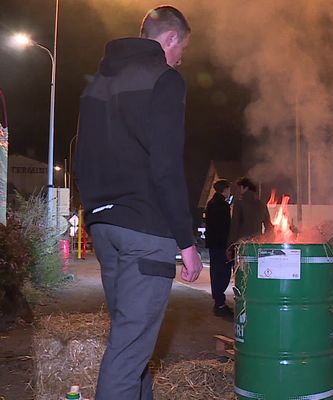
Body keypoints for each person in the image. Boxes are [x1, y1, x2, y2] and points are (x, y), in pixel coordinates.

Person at [74, 6, 202, 399]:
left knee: (131, 343)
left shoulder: (96, 84)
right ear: (170, 39)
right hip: (145, 229)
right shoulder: (165, 79)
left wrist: (95, 212)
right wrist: (186, 241)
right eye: (182, 48)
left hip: (104, 226)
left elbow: (80, 155)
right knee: (129, 352)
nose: (181, 57)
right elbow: (165, 166)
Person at [205, 179, 234, 318]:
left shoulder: (210, 203)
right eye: (228, 189)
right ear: (225, 190)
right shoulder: (223, 205)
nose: (230, 192)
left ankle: (218, 303)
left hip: (213, 244)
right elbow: (227, 227)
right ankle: (220, 305)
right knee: (223, 273)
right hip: (222, 244)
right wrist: (229, 245)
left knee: (215, 272)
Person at [228, 176, 273, 245]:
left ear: (245, 188)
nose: (239, 190)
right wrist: (265, 240)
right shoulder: (262, 204)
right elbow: (268, 226)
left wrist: (230, 244)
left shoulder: (239, 203)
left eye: (240, 187)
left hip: (242, 242)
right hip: (257, 241)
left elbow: (235, 225)